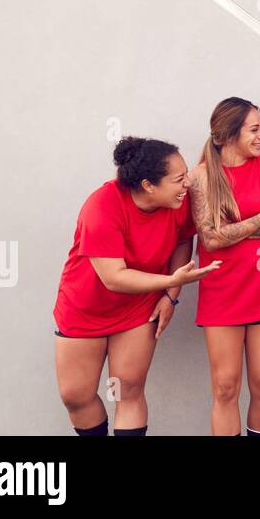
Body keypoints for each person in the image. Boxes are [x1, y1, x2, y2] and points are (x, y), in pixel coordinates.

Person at [53, 136, 216, 435]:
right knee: (75, 396)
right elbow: (114, 277)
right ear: (148, 185)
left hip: (140, 305)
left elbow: (182, 238)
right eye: (178, 179)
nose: (187, 185)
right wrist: (170, 280)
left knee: (128, 388)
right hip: (85, 305)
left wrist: (171, 295)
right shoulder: (102, 206)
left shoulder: (177, 202)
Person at [190, 97, 260, 435]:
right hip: (223, 294)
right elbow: (211, 240)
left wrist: (233, 231)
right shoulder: (201, 177)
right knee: (225, 388)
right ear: (228, 134)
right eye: (254, 129)